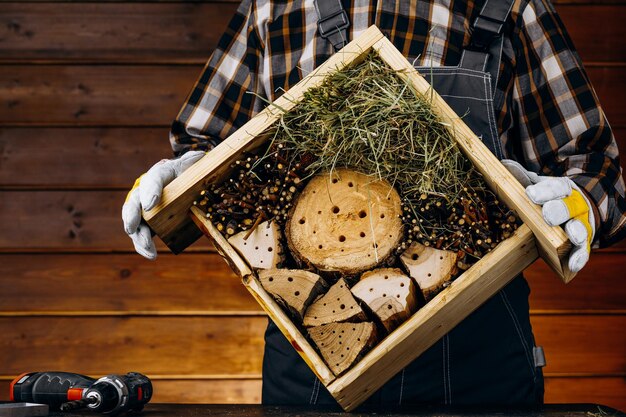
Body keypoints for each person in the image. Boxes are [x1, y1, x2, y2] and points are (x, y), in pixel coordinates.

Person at [122, 0, 626, 407]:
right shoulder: (273, 8)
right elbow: (209, 144)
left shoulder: (510, 5)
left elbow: (596, 167)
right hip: (311, 357)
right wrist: (181, 175)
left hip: (477, 360)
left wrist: (583, 201)